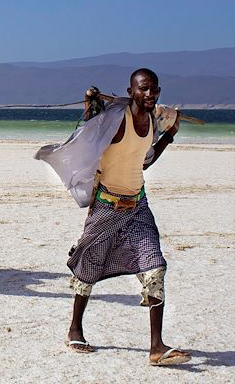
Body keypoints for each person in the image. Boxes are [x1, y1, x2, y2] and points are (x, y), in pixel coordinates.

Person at [36, 68, 190, 366]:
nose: (150, 94)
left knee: (155, 268)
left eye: (154, 89)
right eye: (143, 89)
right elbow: (91, 134)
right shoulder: (116, 121)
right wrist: (91, 104)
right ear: (130, 91)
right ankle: (74, 329)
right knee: (89, 267)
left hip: (138, 205)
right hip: (107, 205)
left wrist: (169, 135)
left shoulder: (152, 124)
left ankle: (156, 347)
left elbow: (143, 161)